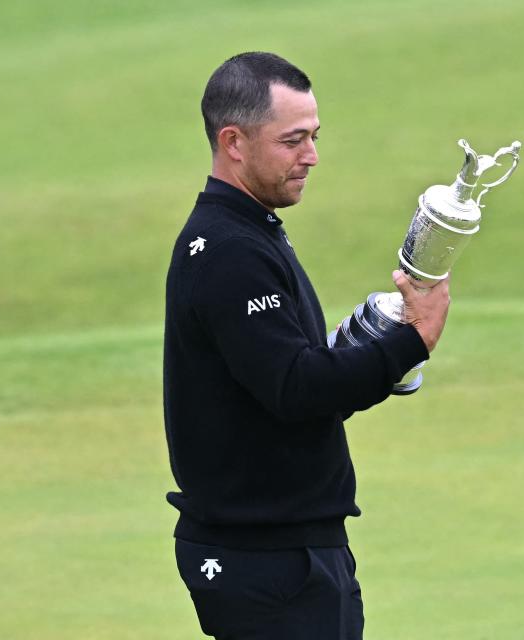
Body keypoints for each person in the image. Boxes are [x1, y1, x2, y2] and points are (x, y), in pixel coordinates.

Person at [162, 52, 450, 639]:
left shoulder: (247, 232)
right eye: (293, 140)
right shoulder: (230, 251)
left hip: (279, 552)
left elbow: (289, 381)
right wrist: (410, 341)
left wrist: (359, 353)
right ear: (234, 141)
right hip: (267, 563)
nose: (312, 156)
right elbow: (296, 388)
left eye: (314, 137)